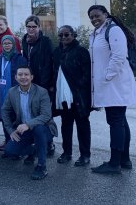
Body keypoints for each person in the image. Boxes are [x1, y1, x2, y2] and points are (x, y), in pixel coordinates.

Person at [88, 5, 136, 174]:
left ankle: (114, 163)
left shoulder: (114, 30)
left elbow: (119, 56)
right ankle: (125, 160)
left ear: (105, 14)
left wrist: (106, 77)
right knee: (120, 121)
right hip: (110, 85)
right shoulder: (98, 33)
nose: (94, 19)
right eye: (91, 17)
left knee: (116, 122)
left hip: (115, 84)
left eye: (97, 15)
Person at [1, 66, 58, 180]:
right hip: (24, 130)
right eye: (20, 75)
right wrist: (10, 131)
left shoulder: (41, 92)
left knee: (39, 129)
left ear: (31, 77)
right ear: (16, 77)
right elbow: (4, 111)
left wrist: (28, 124)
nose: (23, 77)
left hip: (44, 129)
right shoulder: (12, 92)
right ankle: (34, 150)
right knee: (9, 151)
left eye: (26, 74)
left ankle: (42, 166)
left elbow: (46, 115)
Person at [52, 25, 92, 167]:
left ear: (74, 35)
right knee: (66, 125)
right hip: (62, 96)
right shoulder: (56, 52)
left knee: (82, 126)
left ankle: (85, 155)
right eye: (60, 35)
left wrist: (77, 87)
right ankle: (67, 152)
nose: (63, 37)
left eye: (67, 34)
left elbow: (87, 75)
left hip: (78, 96)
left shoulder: (81, 51)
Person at [21, 15, 56, 157]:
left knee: (45, 114)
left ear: (39, 27)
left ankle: (49, 142)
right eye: (29, 26)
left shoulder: (45, 41)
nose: (31, 29)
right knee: (31, 111)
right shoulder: (25, 41)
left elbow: (50, 64)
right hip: (29, 82)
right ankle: (33, 142)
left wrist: (48, 85)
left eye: (34, 27)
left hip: (43, 83)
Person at [0, 35, 27, 151]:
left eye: (9, 43)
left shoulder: (19, 58)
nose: (7, 45)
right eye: (4, 43)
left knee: (15, 118)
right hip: (1, 93)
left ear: (13, 45)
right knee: (4, 117)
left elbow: (24, 76)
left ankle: (17, 144)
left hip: (15, 92)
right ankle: (8, 141)